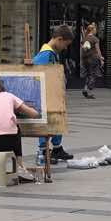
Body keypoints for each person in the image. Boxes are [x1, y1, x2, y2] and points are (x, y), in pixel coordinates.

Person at [0, 72, 39, 183]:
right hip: (10, 142)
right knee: (16, 128)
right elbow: (34, 114)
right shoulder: (9, 96)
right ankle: (20, 165)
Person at [32, 25, 74, 164]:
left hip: (53, 94)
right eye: (65, 44)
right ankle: (43, 150)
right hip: (46, 95)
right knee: (46, 122)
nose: (65, 48)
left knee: (56, 120)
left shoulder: (52, 54)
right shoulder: (46, 54)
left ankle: (56, 148)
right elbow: (38, 74)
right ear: (59, 39)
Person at [78, 22, 104, 98]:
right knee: (93, 74)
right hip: (93, 59)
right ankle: (88, 89)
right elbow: (98, 50)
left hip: (85, 59)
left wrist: (81, 59)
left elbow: (82, 49)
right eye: (95, 29)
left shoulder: (84, 38)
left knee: (88, 75)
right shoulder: (95, 39)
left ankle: (85, 89)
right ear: (92, 30)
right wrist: (101, 58)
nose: (96, 30)